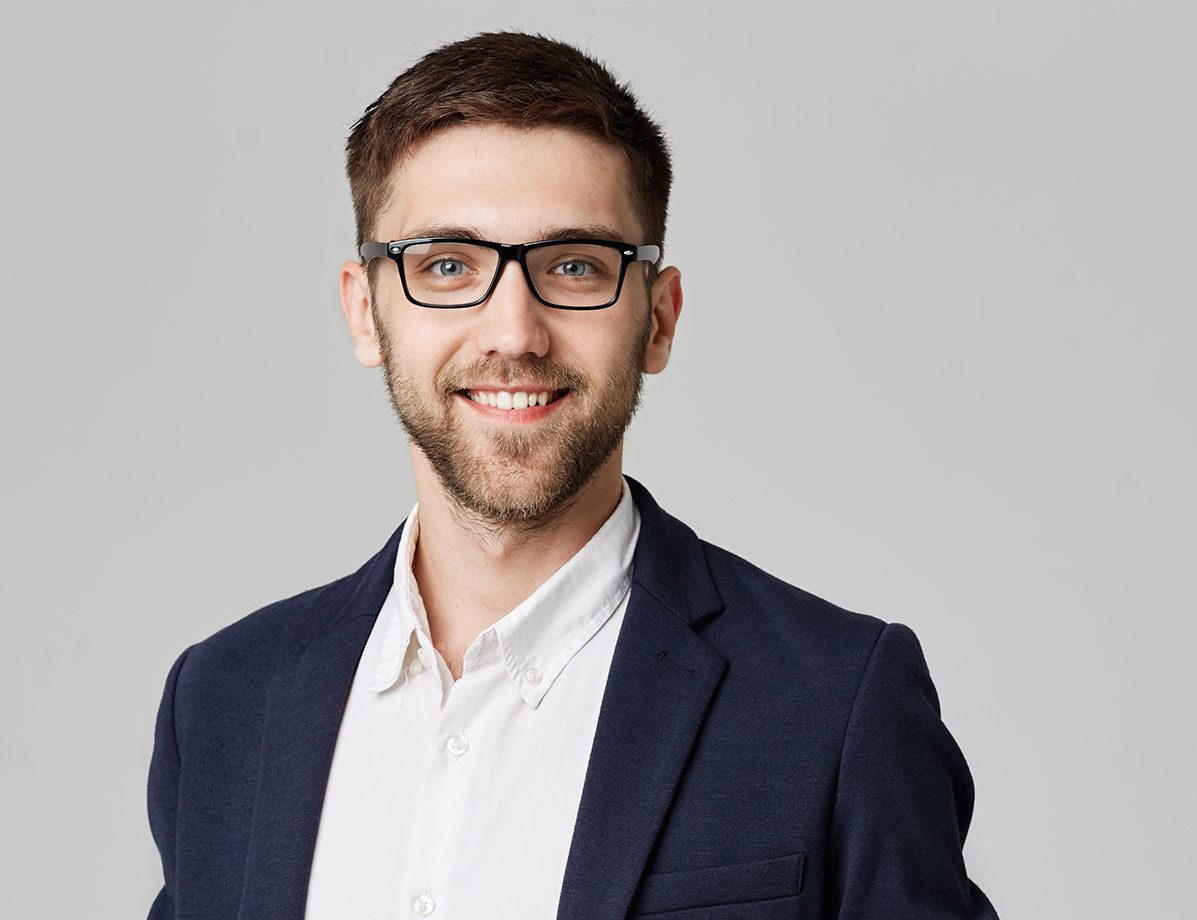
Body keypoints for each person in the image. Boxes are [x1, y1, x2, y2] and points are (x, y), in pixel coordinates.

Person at [143, 31, 998, 920]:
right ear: (366, 312)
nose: (513, 332)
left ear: (658, 320)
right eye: (448, 266)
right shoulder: (223, 703)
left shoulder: (836, 704)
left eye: (576, 267)